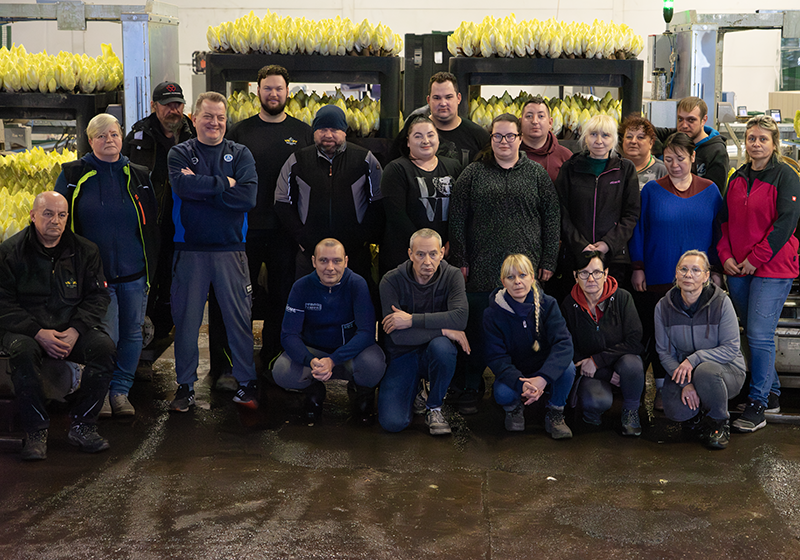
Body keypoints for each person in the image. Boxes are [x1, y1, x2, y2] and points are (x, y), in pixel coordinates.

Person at [449, 113, 560, 414]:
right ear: (491, 139)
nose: (504, 142)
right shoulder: (473, 173)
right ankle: (472, 383)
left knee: (525, 332)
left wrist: (548, 259)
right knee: (477, 330)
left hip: (524, 270)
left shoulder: (536, 175)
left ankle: (523, 385)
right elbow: (457, 217)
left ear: (520, 139)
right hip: (482, 267)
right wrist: (460, 257)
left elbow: (551, 218)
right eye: (498, 136)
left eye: (510, 136)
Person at [55, 113, 158, 419]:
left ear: (121, 137)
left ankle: (120, 391)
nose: (108, 140)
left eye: (113, 134)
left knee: (132, 334)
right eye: (101, 136)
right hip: (95, 278)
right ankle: (99, 390)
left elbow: (151, 224)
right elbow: (59, 218)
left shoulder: (139, 175)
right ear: (90, 141)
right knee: (105, 337)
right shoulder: (74, 174)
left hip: (135, 274)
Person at [0, 192, 115, 460]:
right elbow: (3, 302)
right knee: (23, 352)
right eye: (48, 213)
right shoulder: (9, 252)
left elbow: (98, 297)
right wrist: (38, 333)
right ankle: (36, 430)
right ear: (33, 215)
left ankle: (84, 425)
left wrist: (76, 330)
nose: (56, 220)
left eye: (62, 215)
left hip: (69, 330)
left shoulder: (86, 251)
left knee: (104, 349)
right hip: (26, 331)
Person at [166, 91, 259, 412]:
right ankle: (185, 387)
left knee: (238, 320)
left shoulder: (241, 153)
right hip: (190, 250)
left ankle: (246, 383)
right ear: (194, 118)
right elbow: (182, 187)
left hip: (230, 250)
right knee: (187, 322)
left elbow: (248, 198)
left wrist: (204, 187)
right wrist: (226, 184)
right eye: (208, 116)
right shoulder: (179, 153)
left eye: (220, 117)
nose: (214, 123)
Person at [225, 65, 314, 364]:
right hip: (245, 229)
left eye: (279, 88)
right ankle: (241, 358)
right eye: (267, 88)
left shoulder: (303, 133)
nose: (273, 94)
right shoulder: (239, 131)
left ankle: (275, 355)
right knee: (242, 297)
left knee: (282, 296)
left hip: (284, 231)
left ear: (288, 92)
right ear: (257, 91)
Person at [718, 115, 800, 432]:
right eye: (751, 138)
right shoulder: (736, 177)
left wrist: (756, 257)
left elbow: (786, 222)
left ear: (774, 143)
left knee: (759, 334)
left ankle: (758, 405)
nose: (756, 144)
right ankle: (773, 392)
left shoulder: (786, 176)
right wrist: (726, 257)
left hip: (772, 267)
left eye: (762, 139)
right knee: (751, 332)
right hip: (738, 269)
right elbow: (724, 223)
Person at [629, 132, 722, 409]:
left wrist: (715, 269)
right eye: (668, 159)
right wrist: (638, 267)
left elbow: (719, 232)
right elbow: (639, 231)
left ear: (693, 157)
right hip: (658, 275)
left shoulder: (710, 191)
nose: (674, 164)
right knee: (662, 334)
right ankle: (661, 388)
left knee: (695, 335)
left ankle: (697, 386)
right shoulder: (652, 191)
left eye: (680, 158)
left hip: (698, 280)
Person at [272, 239, 386, 424]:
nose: (330, 267)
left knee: (374, 364)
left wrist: (334, 360)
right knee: (282, 371)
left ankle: (363, 393)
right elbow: (288, 334)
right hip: (314, 355)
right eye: (324, 260)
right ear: (313, 261)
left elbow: (366, 332)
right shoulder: (301, 287)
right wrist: (311, 361)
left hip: (350, 353)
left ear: (346, 261)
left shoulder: (357, 284)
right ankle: (313, 390)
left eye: (337, 261)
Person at [122, 81, 195, 349]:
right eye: (167, 105)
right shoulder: (138, 137)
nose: (173, 110)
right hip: (147, 225)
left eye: (177, 104)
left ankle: (163, 335)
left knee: (174, 283)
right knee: (148, 284)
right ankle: (142, 345)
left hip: (182, 226)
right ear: (154, 106)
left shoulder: (194, 134)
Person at [274, 105, 383, 283]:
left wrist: (361, 237)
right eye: (322, 129)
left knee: (356, 304)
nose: (328, 135)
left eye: (334, 129)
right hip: (311, 255)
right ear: (314, 131)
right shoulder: (297, 160)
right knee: (307, 303)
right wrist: (303, 237)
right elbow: (282, 201)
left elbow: (378, 202)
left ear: (345, 131)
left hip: (353, 254)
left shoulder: (365, 159)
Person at [378, 229, 469, 435]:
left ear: (442, 253)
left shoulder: (453, 275)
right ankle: (418, 392)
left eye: (433, 254)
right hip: (402, 354)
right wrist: (444, 329)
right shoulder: (391, 280)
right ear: (410, 254)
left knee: (443, 348)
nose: (427, 261)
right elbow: (397, 335)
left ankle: (434, 406)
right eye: (420, 254)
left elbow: (460, 318)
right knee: (393, 423)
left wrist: (411, 320)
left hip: (434, 352)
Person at [655, 250, 746, 450]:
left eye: (696, 270)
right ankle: (697, 415)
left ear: (706, 276)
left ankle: (718, 422)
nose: (689, 275)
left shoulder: (722, 302)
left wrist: (695, 359)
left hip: (725, 371)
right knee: (675, 410)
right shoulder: (663, 307)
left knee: (706, 371)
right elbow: (664, 353)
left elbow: (731, 349)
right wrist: (686, 383)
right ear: (676, 274)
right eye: (683, 269)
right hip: (685, 372)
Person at [483, 254, 575, 438]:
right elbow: (496, 357)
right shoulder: (492, 314)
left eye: (523, 275)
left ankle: (555, 412)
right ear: (503, 281)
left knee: (569, 368)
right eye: (511, 277)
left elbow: (564, 344)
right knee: (502, 393)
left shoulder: (549, 304)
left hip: (544, 368)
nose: (517, 282)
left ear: (532, 277)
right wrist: (520, 383)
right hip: (516, 372)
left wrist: (543, 378)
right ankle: (514, 409)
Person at [554, 113, 639, 301]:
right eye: (593, 134)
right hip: (575, 256)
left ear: (614, 139)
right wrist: (580, 244)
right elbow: (561, 212)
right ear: (585, 137)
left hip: (613, 257)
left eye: (605, 135)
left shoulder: (625, 169)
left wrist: (608, 244)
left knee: (611, 312)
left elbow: (631, 214)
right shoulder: (570, 168)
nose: (599, 140)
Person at [560, 251, 644, 436]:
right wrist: (604, 373)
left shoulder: (623, 298)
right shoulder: (568, 304)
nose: (591, 279)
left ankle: (630, 412)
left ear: (606, 274)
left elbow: (635, 341)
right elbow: (568, 345)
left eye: (597, 272)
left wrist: (598, 360)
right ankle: (591, 413)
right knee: (596, 402)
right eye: (584, 273)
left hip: (619, 363)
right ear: (575, 276)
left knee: (633, 364)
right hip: (592, 371)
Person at [380, 115, 463, 274]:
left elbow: (461, 210)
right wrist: (426, 249)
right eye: (418, 136)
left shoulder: (453, 166)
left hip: (445, 255)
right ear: (408, 141)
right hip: (406, 255)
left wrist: (450, 243)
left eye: (430, 135)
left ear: (438, 138)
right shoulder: (396, 169)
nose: (425, 141)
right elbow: (396, 215)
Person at [654, 97, 730, 193]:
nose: (684, 125)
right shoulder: (675, 136)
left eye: (691, 120)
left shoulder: (716, 151)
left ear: (703, 120)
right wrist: (662, 150)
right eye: (680, 119)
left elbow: (715, 194)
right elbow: (646, 130)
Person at [427, 72, 490, 166]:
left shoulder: (478, 136)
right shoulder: (414, 134)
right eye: (437, 98)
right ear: (428, 100)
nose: (443, 103)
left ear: (458, 98)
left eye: (448, 97)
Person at [519, 95, 573, 183]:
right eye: (529, 116)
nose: (535, 121)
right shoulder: (511, 154)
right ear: (520, 122)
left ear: (550, 123)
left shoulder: (565, 157)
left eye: (541, 116)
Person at [619, 114, 667, 189]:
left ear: (651, 142)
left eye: (640, 137)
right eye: (629, 137)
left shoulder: (662, 170)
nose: (633, 141)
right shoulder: (614, 168)